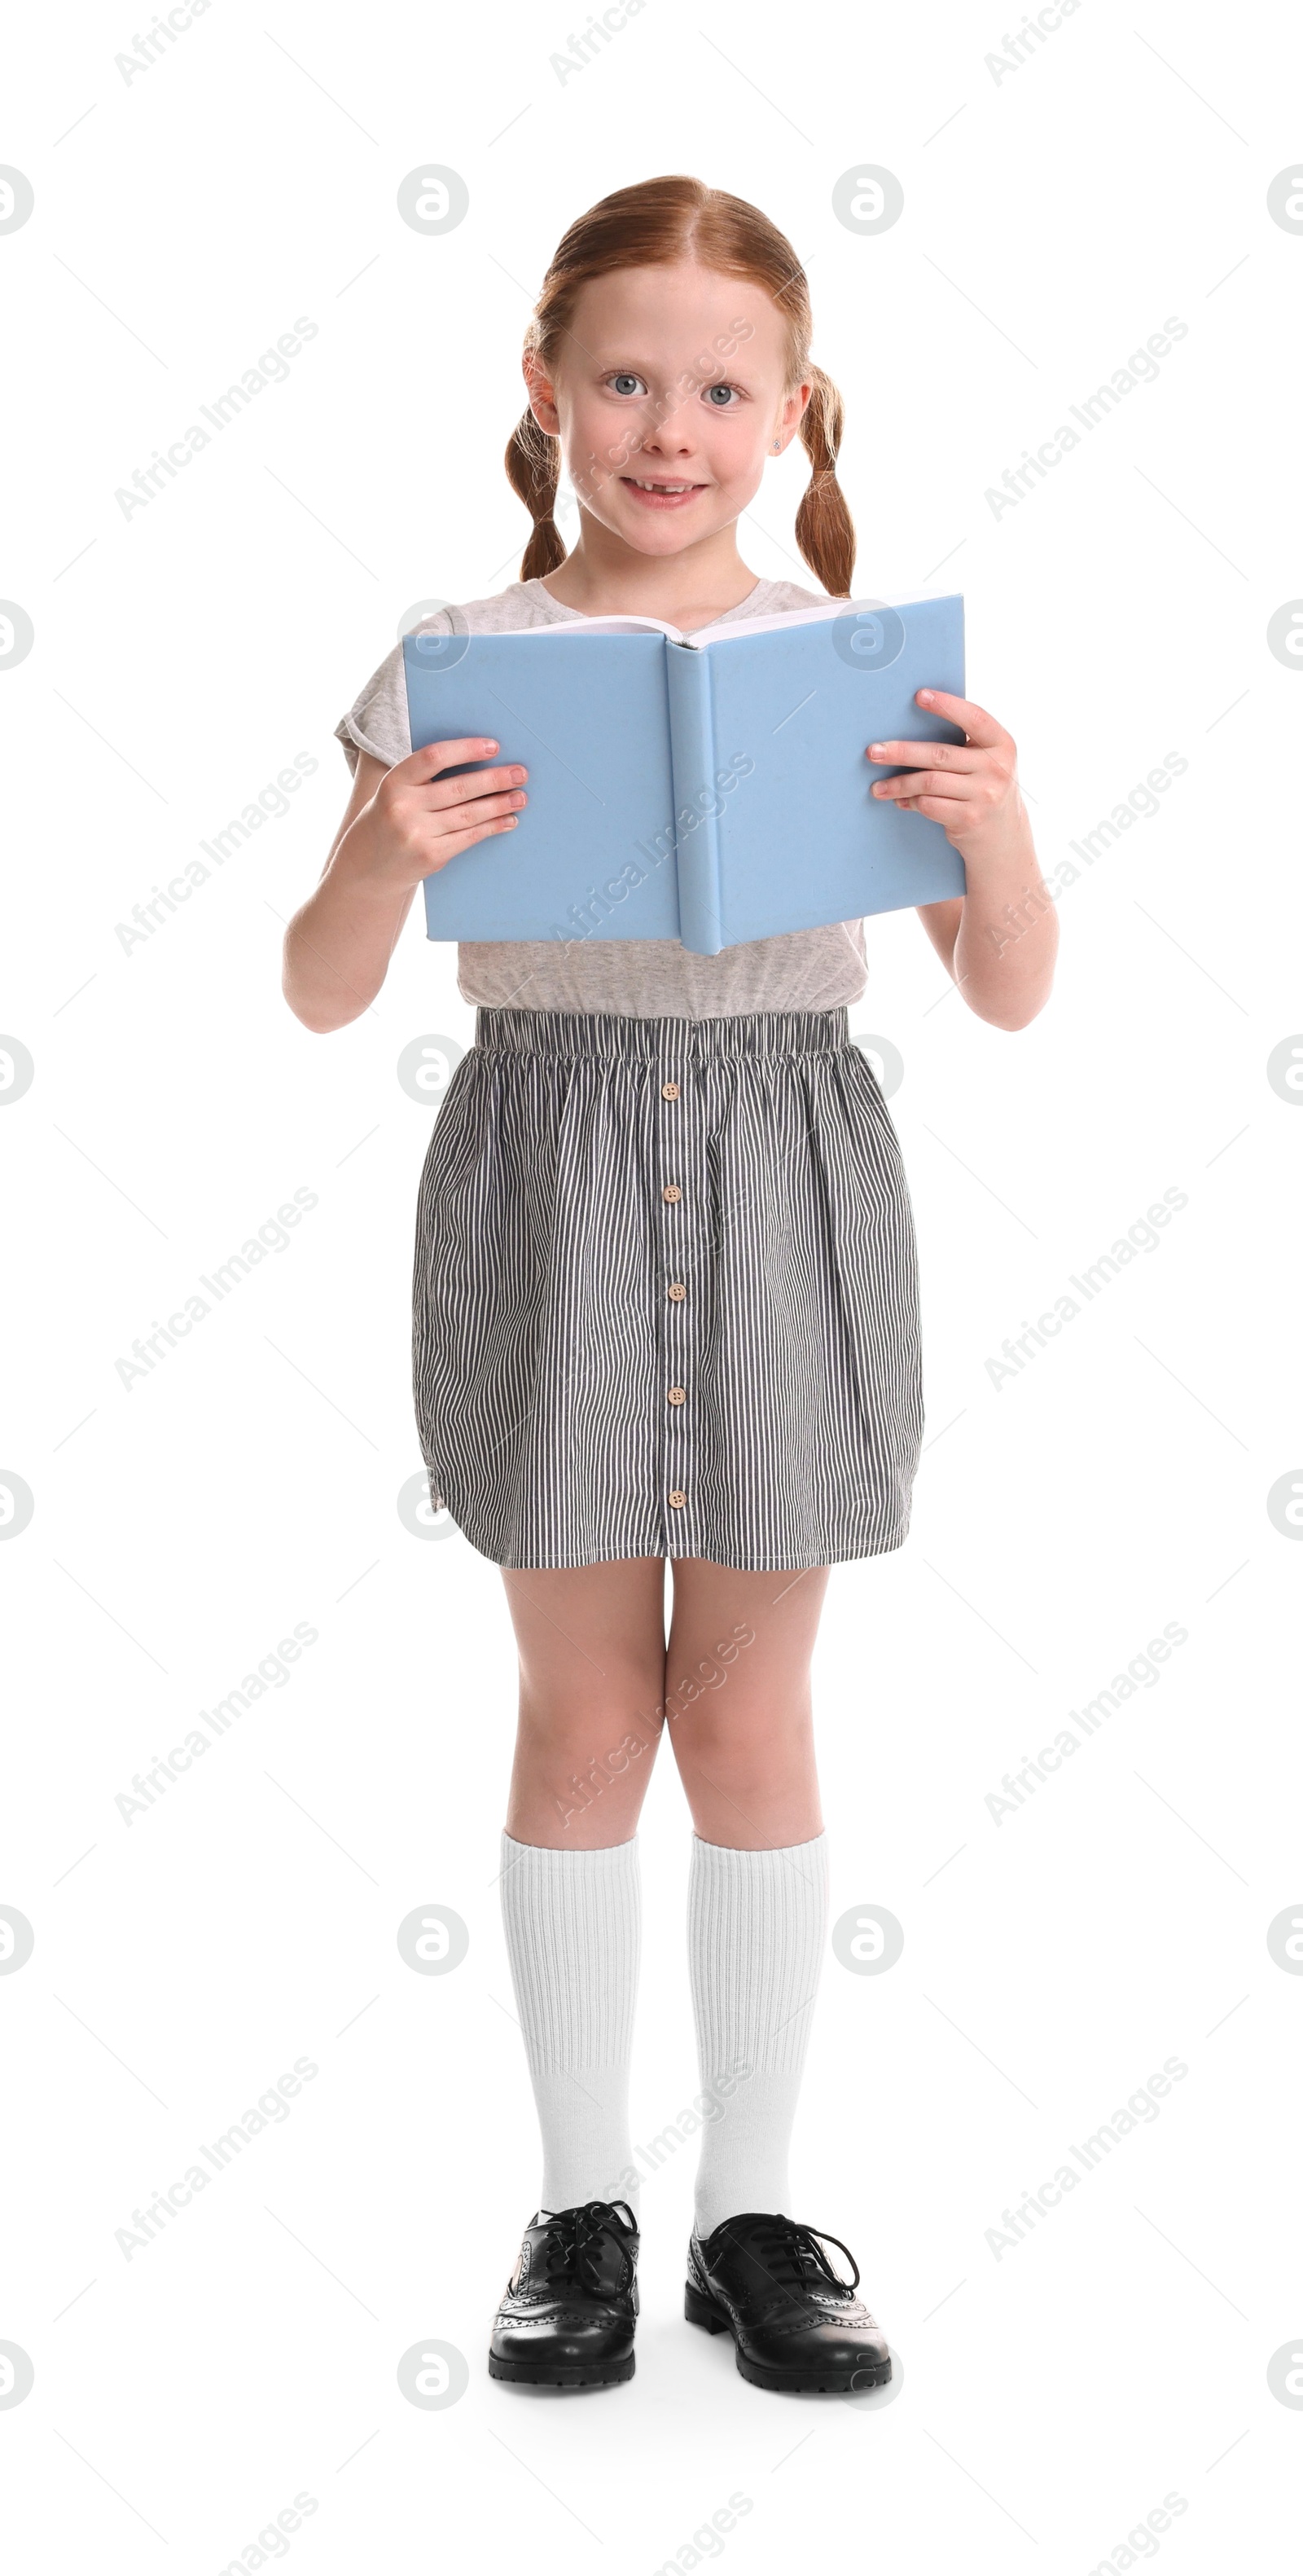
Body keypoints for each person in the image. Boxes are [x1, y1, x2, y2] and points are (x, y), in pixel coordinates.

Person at [283, 174, 1056, 2396]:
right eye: (624, 377)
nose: (670, 427)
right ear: (543, 391)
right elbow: (321, 988)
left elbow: (1006, 991)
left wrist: (1000, 837)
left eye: (723, 387)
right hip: (551, 1167)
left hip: (793, 1171)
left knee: (745, 1708)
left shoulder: (862, 665)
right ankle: (580, 2203)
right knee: (583, 1711)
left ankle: (756, 2208)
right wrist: (376, 845)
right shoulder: (462, 653)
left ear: (793, 410)